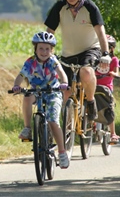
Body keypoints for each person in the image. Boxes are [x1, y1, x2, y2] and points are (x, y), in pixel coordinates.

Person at [44, 0, 112, 121]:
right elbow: (49, 33)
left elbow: (101, 33)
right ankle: (68, 130)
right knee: (66, 91)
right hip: (68, 53)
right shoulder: (59, 7)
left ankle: (91, 101)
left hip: (90, 50)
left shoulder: (90, 7)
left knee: (86, 72)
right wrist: (47, 52)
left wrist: (105, 53)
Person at [12, 31, 69, 169]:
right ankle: (27, 128)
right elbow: (21, 75)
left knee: (53, 121)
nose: (44, 52)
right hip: (36, 90)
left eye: (47, 49)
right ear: (35, 49)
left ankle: (62, 152)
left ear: (52, 50)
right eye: (41, 48)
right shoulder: (30, 62)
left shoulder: (53, 61)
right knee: (26, 98)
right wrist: (16, 86)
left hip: (52, 92)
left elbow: (62, 74)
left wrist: (64, 83)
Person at [95, 34, 120, 144]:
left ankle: (113, 133)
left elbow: (116, 72)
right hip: (94, 85)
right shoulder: (95, 59)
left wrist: (112, 73)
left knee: (109, 108)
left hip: (106, 87)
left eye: (107, 46)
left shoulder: (114, 59)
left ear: (112, 48)